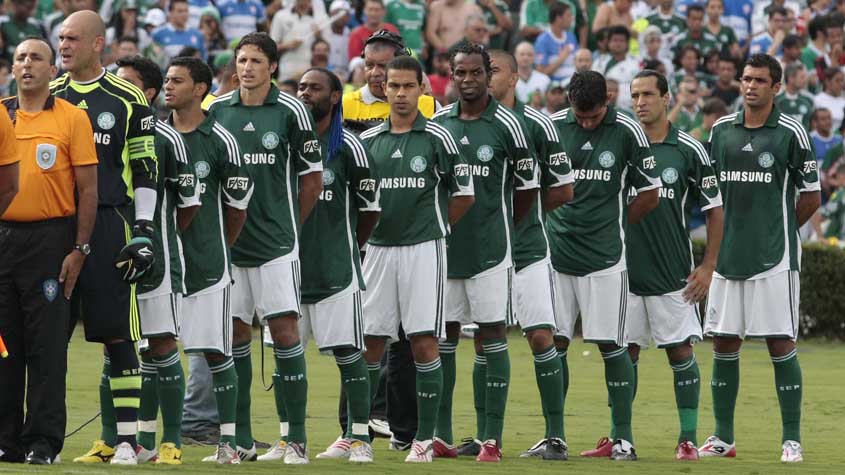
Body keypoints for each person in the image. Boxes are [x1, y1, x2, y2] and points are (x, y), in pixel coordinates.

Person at [208, 32, 323, 465]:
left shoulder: (293, 111)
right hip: (230, 248)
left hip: (276, 246)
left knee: (285, 333)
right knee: (234, 335)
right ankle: (238, 439)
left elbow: (312, 179)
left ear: (273, 67)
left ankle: (295, 439)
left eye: (256, 60)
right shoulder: (216, 110)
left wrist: (289, 226)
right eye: (241, 60)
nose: (247, 67)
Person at [699, 53, 820, 463]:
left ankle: (791, 439)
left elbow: (812, 196)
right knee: (724, 341)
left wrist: (780, 226)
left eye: (760, 80)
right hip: (727, 256)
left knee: (780, 342)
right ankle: (723, 438)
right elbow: (709, 192)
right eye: (746, 79)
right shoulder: (719, 132)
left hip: (774, 258)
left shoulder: (792, 132)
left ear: (777, 87)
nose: (750, 86)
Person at [52, 10, 158, 465]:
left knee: (118, 335)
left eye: (73, 38)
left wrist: (146, 231)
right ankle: (44, 439)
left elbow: (146, 167)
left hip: (111, 223)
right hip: (53, 227)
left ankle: (128, 443)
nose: (63, 46)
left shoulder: (128, 96)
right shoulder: (48, 94)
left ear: (98, 44)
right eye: (60, 37)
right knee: (46, 335)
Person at [359, 55, 474, 463]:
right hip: (378, 250)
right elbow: (362, 202)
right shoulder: (370, 141)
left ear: (422, 88)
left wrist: (437, 227)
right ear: (383, 89)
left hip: (424, 249)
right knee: (371, 340)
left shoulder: (439, 138)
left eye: (409, 86)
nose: (401, 94)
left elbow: (464, 193)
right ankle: (357, 436)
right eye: (394, 86)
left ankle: (424, 438)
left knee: (424, 340)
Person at [432, 42, 540, 463]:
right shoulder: (439, 124)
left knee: (492, 336)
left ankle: (491, 439)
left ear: (487, 74)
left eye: (477, 72)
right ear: (452, 74)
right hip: (444, 252)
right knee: (443, 339)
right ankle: (439, 435)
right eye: (460, 72)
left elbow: (529, 187)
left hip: (492, 253)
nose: (469, 79)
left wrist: (504, 226)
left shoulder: (509, 124)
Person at [548, 70, 661, 461]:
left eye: (593, 117)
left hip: (605, 258)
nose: (585, 123)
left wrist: (613, 223)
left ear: (607, 103)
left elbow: (650, 193)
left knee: (613, 345)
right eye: (579, 116)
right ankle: (554, 437)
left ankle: (623, 439)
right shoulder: (553, 129)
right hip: (556, 256)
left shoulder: (628, 130)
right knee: (554, 344)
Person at [0, 36, 94, 466]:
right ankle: (6, 440)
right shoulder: (1, 113)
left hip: (51, 240)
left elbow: (88, 189)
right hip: (4, 239)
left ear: (53, 70)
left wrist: (80, 247)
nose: (27, 64)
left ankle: (43, 441)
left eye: (36, 57)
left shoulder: (72, 117)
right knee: (4, 348)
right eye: (20, 58)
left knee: (47, 347)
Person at [627, 69, 724, 461]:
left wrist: (708, 265)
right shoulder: (622, 144)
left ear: (667, 98)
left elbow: (715, 209)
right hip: (623, 271)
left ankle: (687, 439)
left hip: (672, 271)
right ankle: (620, 438)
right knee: (623, 352)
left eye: (648, 94)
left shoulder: (689, 149)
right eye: (634, 95)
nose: (640, 102)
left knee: (680, 352)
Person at [163, 56, 252, 464]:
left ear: (199, 89)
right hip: (163, 267)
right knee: (156, 351)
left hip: (207, 264)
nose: (168, 87)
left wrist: (217, 247)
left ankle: (229, 444)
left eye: (177, 81)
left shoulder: (221, 140)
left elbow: (237, 207)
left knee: (216, 351)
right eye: (166, 80)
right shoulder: (158, 136)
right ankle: (156, 442)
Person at [488, 48, 574, 460]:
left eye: (494, 70)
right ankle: (478, 437)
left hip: (526, 249)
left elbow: (563, 188)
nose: (486, 77)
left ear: (515, 77)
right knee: (480, 339)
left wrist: (524, 212)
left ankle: (555, 435)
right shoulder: (455, 121)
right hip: (481, 254)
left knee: (542, 335)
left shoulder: (537, 123)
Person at [113, 55, 199, 465]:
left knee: (162, 345)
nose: (116, 88)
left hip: (159, 259)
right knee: (116, 345)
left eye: (125, 83)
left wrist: (157, 238)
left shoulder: (168, 140)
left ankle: (170, 440)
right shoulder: (101, 132)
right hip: (111, 256)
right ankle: (115, 440)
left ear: (145, 93)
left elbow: (189, 207)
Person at [293, 67, 380, 463]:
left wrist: (348, 248)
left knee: (348, 352)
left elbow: (369, 211)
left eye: (314, 88)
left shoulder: (349, 146)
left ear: (333, 98)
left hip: (335, 270)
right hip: (287, 269)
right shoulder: (285, 139)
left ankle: (358, 436)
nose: (305, 93)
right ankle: (289, 439)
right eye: (301, 87)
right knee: (285, 354)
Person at [342, 30, 437, 133]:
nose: (374, 73)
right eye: (369, 65)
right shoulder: (345, 104)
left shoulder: (430, 105)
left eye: (383, 66)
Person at [270, 0, 323, 81]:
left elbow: (325, 48)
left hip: (309, 69)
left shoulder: (319, 18)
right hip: (286, 68)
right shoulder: (280, 16)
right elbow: (271, 46)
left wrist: (319, 37)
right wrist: (287, 45)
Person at [593, 25, 639, 111]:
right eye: (615, 40)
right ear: (608, 43)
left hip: (630, 109)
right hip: (603, 109)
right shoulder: (599, 62)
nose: (618, 43)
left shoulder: (636, 63)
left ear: (627, 43)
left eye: (621, 40)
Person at [534, 2, 579, 86]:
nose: (571, 18)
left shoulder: (571, 37)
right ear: (559, 18)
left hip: (575, 83)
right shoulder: (543, 40)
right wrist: (561, 59)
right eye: (568, 15)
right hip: (555, 86)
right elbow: (540, 74)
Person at [775, 64, 815, 130]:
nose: (805, 80)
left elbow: (812, 125)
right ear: (791, 78)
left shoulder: (809, 100)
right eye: (802, 77)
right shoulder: (776, 100)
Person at [813, 67, 845, 132]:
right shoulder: (817, 100)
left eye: (842, 80)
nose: (841, 84)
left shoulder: (843, 101)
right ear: (827, 82)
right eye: (837, 80)